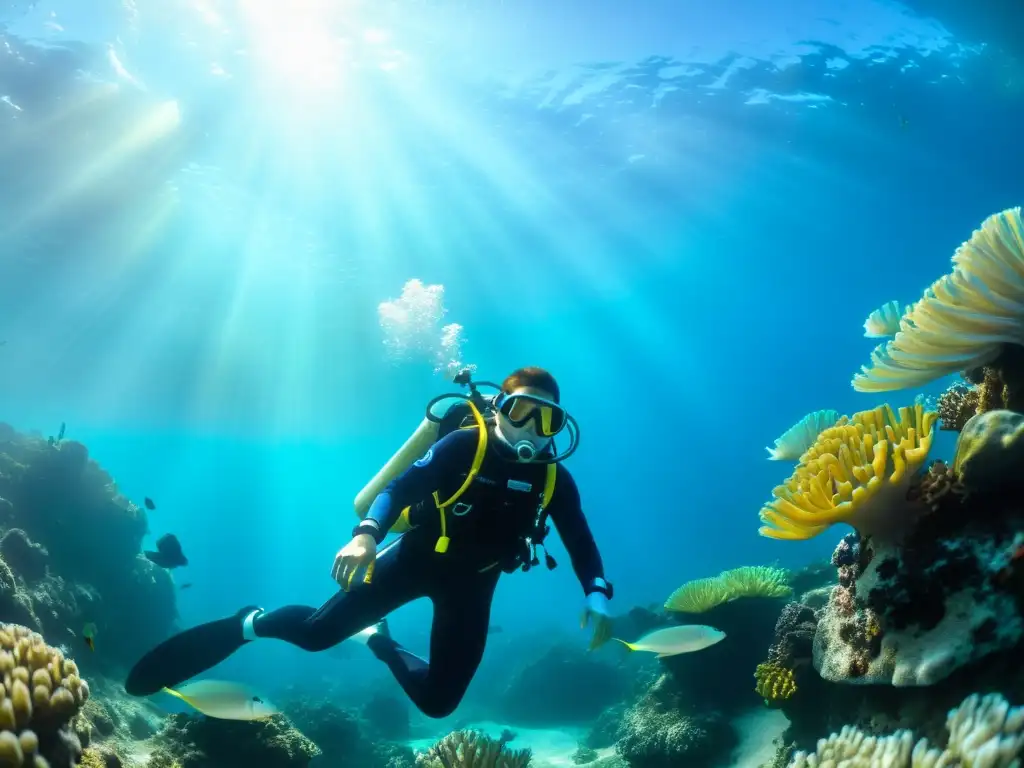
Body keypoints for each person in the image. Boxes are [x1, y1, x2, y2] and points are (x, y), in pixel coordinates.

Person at [125, 366, 614, 719]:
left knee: (439, 704)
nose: (531, 428)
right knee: (317, 636)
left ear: (558, 428)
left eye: (545, 420)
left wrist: (596, 593)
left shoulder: (554, 479)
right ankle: (249, 623)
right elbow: (399, 488)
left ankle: (380, 641)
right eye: (521, 411)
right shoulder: (465, 445)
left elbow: (580, 540)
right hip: (413, 559)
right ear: (498, 410)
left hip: (474, 586)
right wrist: (365, 536)